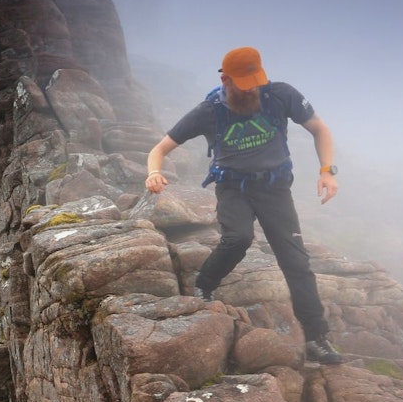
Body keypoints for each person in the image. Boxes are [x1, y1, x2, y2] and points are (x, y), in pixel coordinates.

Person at [143, 46, 345, 365]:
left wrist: (327, 171)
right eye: (244, 83)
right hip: (233, 187)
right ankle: (203, 285)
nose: (251, 89)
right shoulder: (208, 111)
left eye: (255, 81)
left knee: (296, 262)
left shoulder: (280, 95)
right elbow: (159, 149)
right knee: (238, 239)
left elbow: (320, 129)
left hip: (275, 188)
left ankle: (317, 338)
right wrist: (154, 172)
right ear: (226, 80)